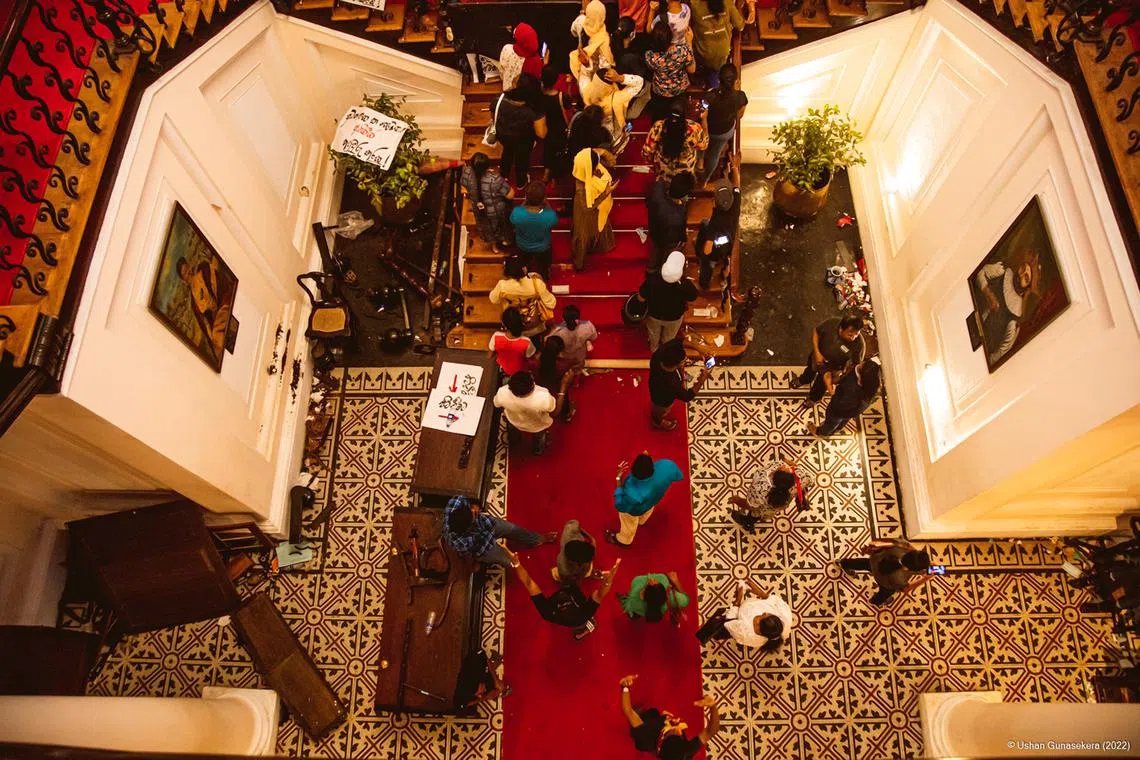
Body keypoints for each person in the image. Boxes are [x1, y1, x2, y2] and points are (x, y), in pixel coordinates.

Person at [504, 542, 620, 640]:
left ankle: (580, 632)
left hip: (575, 614)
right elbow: (599, 594)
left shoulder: (548, 613)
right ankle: (582, 632)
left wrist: (516, 563)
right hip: (580, 620)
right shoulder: (583, 615)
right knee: (589, 624)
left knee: (582, 621)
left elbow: (529, 583)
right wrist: (609, 579)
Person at [620, 676, 721, 759]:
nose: (676, 729)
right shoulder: (686, 751)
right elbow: (711, 731)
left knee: (641, 716)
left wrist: (625, 687)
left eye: (670, 732)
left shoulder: (646, 735)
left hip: (648, 731)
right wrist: (713, 706)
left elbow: (628, 710)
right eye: (678, 733)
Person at [974, 248, 1041, 366]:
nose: (1021, 276)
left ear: (1028, 287)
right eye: (1023, 269)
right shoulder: (1003, 271)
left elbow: (999, 354)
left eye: (1026, 278)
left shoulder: (1014, 320)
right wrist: (988, 293)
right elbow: (980, 273)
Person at [443, 496, 556, 566]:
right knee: (507, 560)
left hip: (487, 524)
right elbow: (485, 541)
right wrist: (506, 551)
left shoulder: (454, 503)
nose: (475, 511)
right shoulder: (460, 542)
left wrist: (474, 505)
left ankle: (537, 539)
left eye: (473, 511)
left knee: (512, 529)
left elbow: (466, 500)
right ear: (468, 527)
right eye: (474, 515)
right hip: (483, 547)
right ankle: (510, 562)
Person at [606, 452, 684, 546]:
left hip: (634, 510)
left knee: (629, 523)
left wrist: (618, 479)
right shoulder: (666, 465)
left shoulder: (632, 491)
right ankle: (642, 521)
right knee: (646, 511)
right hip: (652, 502)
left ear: (633, 471)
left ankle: (624, 541)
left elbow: (620, 506)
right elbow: (679, 476)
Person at [791, 315, 867, 403]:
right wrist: (817, 352)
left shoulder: (859, 345)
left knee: (821, 385)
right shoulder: (832, 323)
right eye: (850, 334)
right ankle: (804, 380)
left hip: (832, 369)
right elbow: (816, 332)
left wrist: (841, 376)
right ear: (841, 329)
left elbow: (856, 365)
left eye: (856, 334)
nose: (853, 338)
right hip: (817, 358)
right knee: (809, 370)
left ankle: (813, 398)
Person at [728, 455, 812, 533]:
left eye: (783, 468)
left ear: (773, 475)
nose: (784, 465)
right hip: (778, 506)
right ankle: (754, 520)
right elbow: (809, 479)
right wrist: (788, 462)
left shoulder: (761, 484)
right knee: (764, 514)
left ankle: (747, 522)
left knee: (756, 513)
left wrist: (738, 500)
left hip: (763, 507)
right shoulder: (802, 476)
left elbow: (751, 505)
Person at [839, 537, 933, 606]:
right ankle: (874, 602)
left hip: (875, 562)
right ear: (908, 569)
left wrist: (913, 552)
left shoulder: (900, 547)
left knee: (861, 563)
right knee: (885, 593)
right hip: (885, 582)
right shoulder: (899, 579)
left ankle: (842, 563)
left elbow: (901, 544)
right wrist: (924, 579)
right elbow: (905, 589)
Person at [637, 251, 698, 351]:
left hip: (654, 315)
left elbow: (641, 298)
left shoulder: (652, 280)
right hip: (674, 318)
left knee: (653, 334)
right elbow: (693, 297)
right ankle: (664, 350)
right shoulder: (685, 285)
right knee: (669, 338)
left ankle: (654, 348)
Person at [494, 73, 548, 187]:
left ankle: (504, 175)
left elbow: (493, 115)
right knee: (522, 160)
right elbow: (541, 133)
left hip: (504, 135)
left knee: (507, 152)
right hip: (523, 140)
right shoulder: (534, 109)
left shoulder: (500, 99)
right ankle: (521, 182)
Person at [571, 147, 618, 271]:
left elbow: (588, 208)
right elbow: (587, 207)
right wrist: (606, 192)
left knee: (584, 236)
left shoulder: (585, 174)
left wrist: (605, 193)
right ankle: (580, 263)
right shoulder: (586, 180)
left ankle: (580, 262)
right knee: (586, 235)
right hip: (590, 210)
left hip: (592, 210)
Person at [695, 163, 741, 289]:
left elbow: (707, 250)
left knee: (707, 265)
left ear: (715, 203)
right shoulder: (735, 201)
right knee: (704, 223)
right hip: (727, 242)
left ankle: (704, 284)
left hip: (715, 250)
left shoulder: (715, 224)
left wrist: (704, 254)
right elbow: (736, 185)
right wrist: (734, 168)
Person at [810, 357, 882, 437]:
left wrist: (830, 387)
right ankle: (838, 428)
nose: (861, 363)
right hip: (852, 410)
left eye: (862, 365)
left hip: (840, 409)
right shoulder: (872, 384)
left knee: (832, 421)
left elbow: (839, 404)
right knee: (843, 419)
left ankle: (821, 432)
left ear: (862, 376)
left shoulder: (851, 390)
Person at [648, 338, 710, 430]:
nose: (685, 360)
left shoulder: (658, 356)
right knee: (661, 410)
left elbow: (679, 341)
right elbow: (688, 396)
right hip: (662, 399)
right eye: (683, 360)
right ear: (677, 364)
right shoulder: (672, 384)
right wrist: (703, 378)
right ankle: (657, 421)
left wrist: (699, 349)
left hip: (653, 384)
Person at [488, 256, 557, 339]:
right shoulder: (536, 284)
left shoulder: (502, 286)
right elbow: (551, 303)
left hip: (511, 322)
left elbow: (493, 299)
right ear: (524, 269)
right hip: (533, 324)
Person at [700, 63, 747, 183]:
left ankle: (698, 165)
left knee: (701, 149)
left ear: (719, 80)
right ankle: (705, 179)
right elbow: (740, 115)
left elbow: (702, 110)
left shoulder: (710, 96)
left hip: (708, 129)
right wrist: (735, 92)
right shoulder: (740, 97)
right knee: (715, 154)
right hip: (725, 131)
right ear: (736, 80)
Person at [494, 370, 558, 454]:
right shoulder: (543, 396)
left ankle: (514, 442)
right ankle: (538, 450)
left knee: (512, 432)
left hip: (514, 421)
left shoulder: (502, 392)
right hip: (537, 425)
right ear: (532, 386)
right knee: (539, 437)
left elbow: (496, 404)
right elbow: (552, 408)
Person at [461, 152, 514, 252]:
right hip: (495, 211)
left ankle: (494, 246)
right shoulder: (495, 180)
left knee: (487, 227)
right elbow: (510, 195)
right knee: (502, 224)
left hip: (480, 210)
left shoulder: (466, 173)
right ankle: (505, 240)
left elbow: (464, 185)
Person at [643, 102, 709, 182]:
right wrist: (704, 119)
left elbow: (647, 151)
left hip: (663, 169)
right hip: (685, 172)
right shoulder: (694, 128)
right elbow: (703, 145)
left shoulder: (658, 126)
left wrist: (653, 164)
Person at [644, 24, 696, 122]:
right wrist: (689, 43)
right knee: (678, 117)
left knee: (659, 118)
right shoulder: (680, 52)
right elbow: (692, 69)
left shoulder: (649, 56)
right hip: (678, 90)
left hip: (660, 91)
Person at [723, 579, 794, 650]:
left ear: (757, 624)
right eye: (769, 614)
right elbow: (776, 601)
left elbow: (729, 621)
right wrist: (760, 593)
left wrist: (738, 599)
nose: (765, 612)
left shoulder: (744, 632)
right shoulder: (786, 617)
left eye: (762, 616)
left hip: (739, 614)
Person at [510, 181, 558, 281]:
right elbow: (553, 222)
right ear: (543, 199)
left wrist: (526, 201)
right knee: (544, 265)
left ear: (526, 197)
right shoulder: (550, 216)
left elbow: (513, 220)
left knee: (523, 263)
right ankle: (544, 275)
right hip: (543, 248)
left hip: (523, 246)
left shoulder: (517, 213)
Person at [645, 172, 693, 271]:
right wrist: (683, 239)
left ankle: (652, 268)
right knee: (664, 254)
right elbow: (675, 237)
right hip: (667, 239)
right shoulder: (676, 217)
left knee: (656, 248)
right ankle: (660, 269)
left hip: (653, 227)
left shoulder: (658, 187)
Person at [689, 0, 743, 83]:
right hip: (723, 52)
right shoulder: (727, 2)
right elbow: (740, 25)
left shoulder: (694, 4)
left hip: (703, 52)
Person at [612, 17, 653, 120]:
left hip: (616, 85)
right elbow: (641, 76)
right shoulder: (631, 58)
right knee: (647, 91)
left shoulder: (611, 45)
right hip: (629, 85)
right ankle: (629, 115)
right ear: (631, 34)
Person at [539, 66, 572, 182]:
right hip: (559, 127)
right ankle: (556, 174)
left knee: (548, 147)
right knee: (560, 149)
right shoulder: (561, 96)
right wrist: (568, 85)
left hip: (545, 126)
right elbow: (568, 105)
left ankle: (547, 172)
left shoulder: (539, 94)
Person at [536, 335, 579, 422]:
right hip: (557, 386)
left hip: (541, 386)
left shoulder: (536, 360)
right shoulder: (563, 364)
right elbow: (575, 363)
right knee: (563, 401)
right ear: (560, 351)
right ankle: (566, 414)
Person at [620, 571, 691, 623]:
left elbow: (629, 604)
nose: (651, 579)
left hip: (637, 611)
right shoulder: (670, 595)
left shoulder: (636, 584)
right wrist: (676, 581)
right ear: (665, 594)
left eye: (649, 583)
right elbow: (686, 599)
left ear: (642, 594)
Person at [548, 304, 598, 373]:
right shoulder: (588, 326)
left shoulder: (558, 332)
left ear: (563, 319)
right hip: (579, 358)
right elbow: (594, 337)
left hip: (564, 360)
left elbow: (549, 344)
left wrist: (552, 332)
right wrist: (587, 341)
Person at [488, 306, 536, 376]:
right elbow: (531, 359)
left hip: (505, 369)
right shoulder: (526, 342)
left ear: (504, 324)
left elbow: (489, 356)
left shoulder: (496, 336)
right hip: (521, 372)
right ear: (521, 322)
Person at [498, 23, 545, 93]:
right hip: (524, 99)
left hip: (507, 92)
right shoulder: (535, 61)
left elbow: (501, 72)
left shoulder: (506, 49)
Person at [552, 519, 599, 585]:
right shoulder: (564, 569)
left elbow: (578, 527)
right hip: (570, 574)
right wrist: (581, 576)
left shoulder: (570, 527)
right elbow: (572, 580)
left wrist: (591, 538)